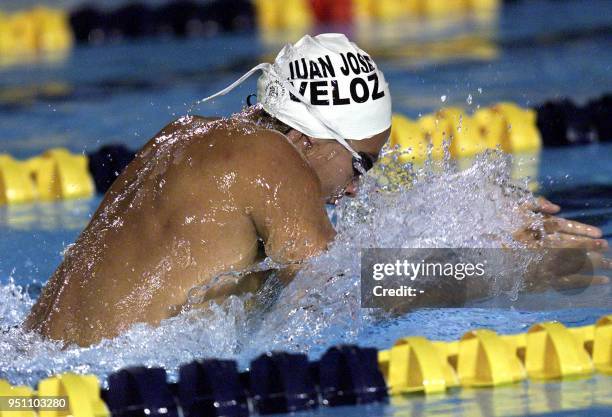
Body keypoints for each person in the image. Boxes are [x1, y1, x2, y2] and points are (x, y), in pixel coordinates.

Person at [24, 34, 608, 347]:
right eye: (362, 166)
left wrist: (473, 227)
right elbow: (345, 292)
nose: (357, 191)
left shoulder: (194, 138)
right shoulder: (268, 161)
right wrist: (513, 273)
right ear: (315, 138)